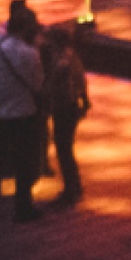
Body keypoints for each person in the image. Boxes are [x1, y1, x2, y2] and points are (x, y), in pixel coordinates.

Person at [0, 3, 46, 221]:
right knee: (23, 162)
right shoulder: (31, 54)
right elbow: (37, 85)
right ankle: (22, 208)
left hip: (0, 114)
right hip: (25, 114)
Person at [40, 27, 89, 207]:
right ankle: (75, 187)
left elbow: (53, 86)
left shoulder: (62, 62)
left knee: (64, 150)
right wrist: (84, 100)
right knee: (67, 148)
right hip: (71, 107)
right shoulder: (72, 56)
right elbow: (82, 81)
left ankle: (71, 191)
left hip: (63, 108)